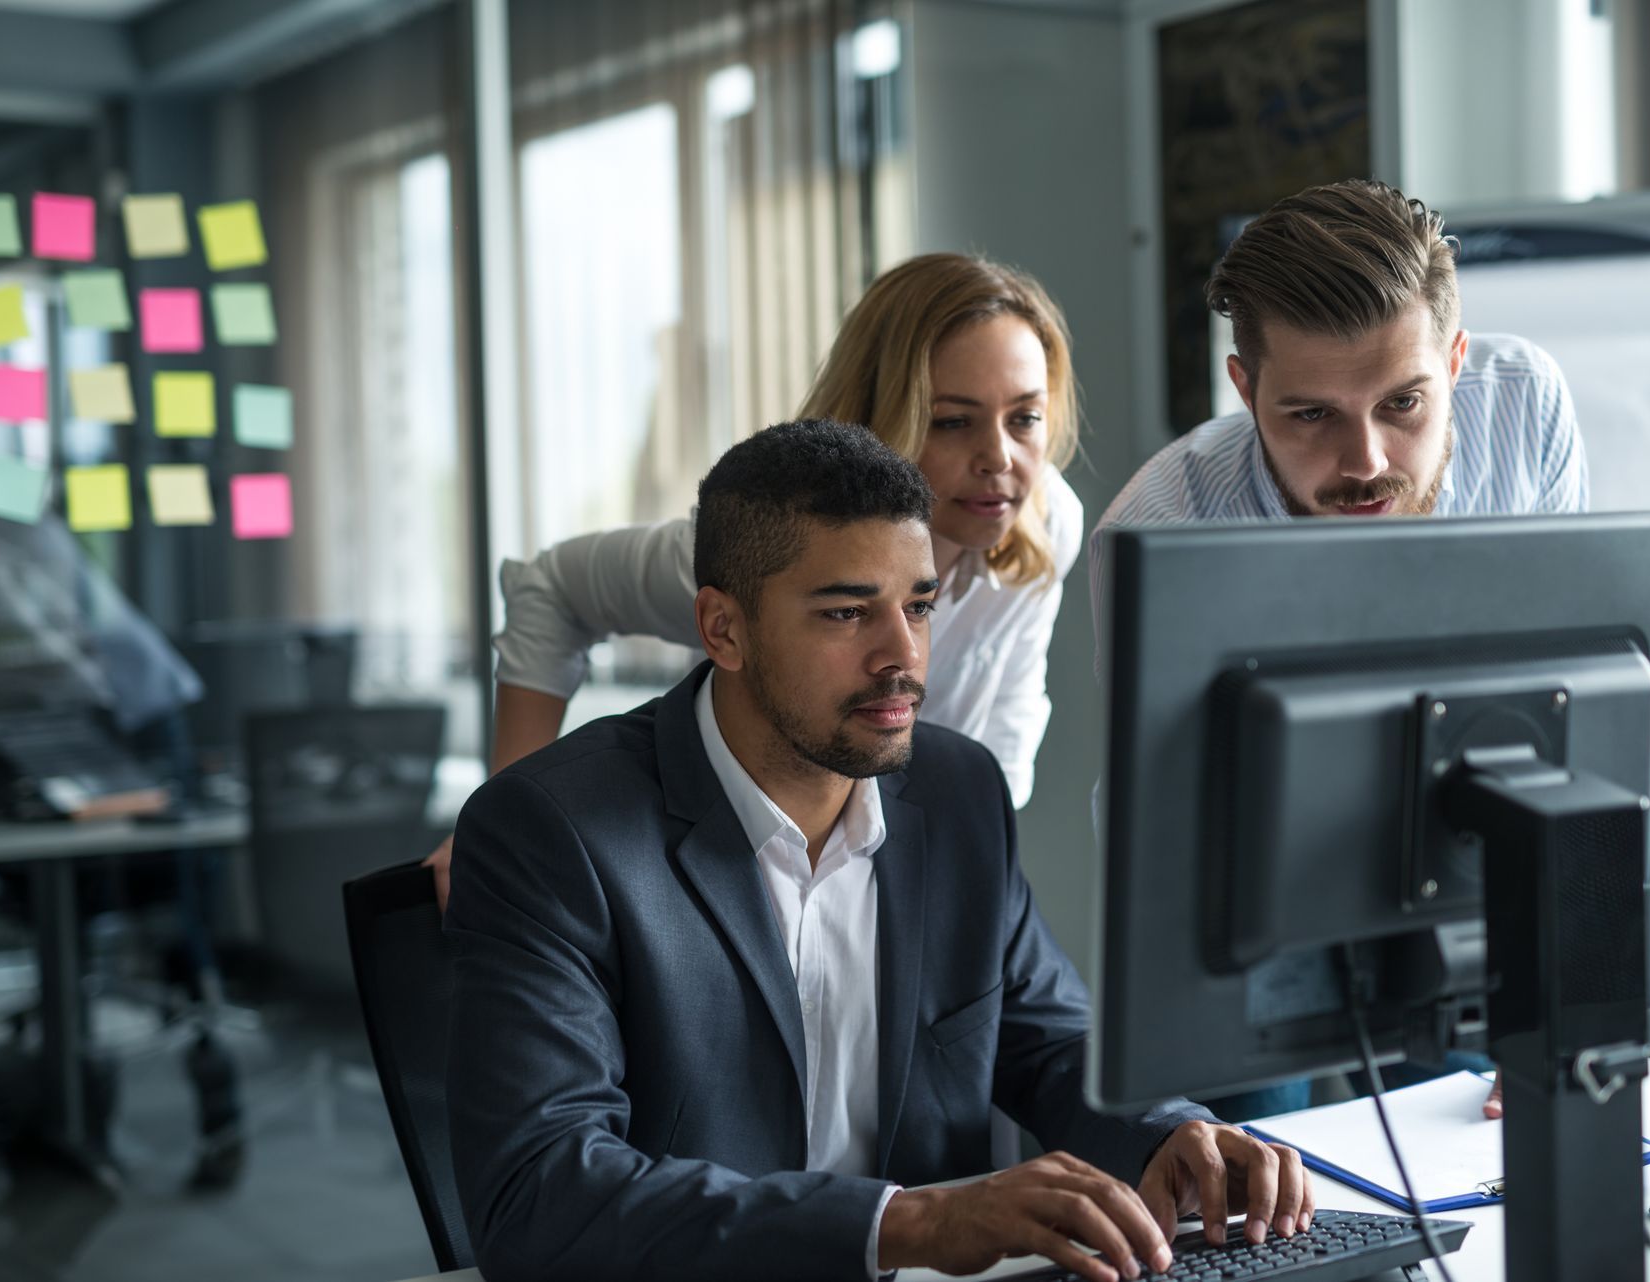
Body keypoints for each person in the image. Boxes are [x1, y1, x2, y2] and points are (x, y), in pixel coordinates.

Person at [444, 421, 1314, 1282]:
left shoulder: (956, 791)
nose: (902, 657)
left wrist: (1171, 1133)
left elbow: (1048, 1038)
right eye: (847, 612)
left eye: (919, 607)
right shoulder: (550, 831)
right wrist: (906, 1223)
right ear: (723, 629)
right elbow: (538, 1196)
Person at [1093, 178, 1583, 1123]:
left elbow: (1557, 715)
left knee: (1477, 1204)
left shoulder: (1525, 412)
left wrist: (1547, 1004)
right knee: (1258, 1210)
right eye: (1311, 415)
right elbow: (1161, 828)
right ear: (1245, 388)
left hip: (1462, 869)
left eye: (1404, 403)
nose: (1365, 460)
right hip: (1242, 914)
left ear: (1455, 359)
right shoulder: (1163, 528)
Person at [426, 253, 1085, 907]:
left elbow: (996, 754)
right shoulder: (770, 546)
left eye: (1025, 417)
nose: (1000, 458)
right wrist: (498, 822)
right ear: (888, 413)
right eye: (953, 421)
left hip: (895, 886)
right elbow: (553, 587)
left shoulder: (1045, 523)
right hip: (733, 874)